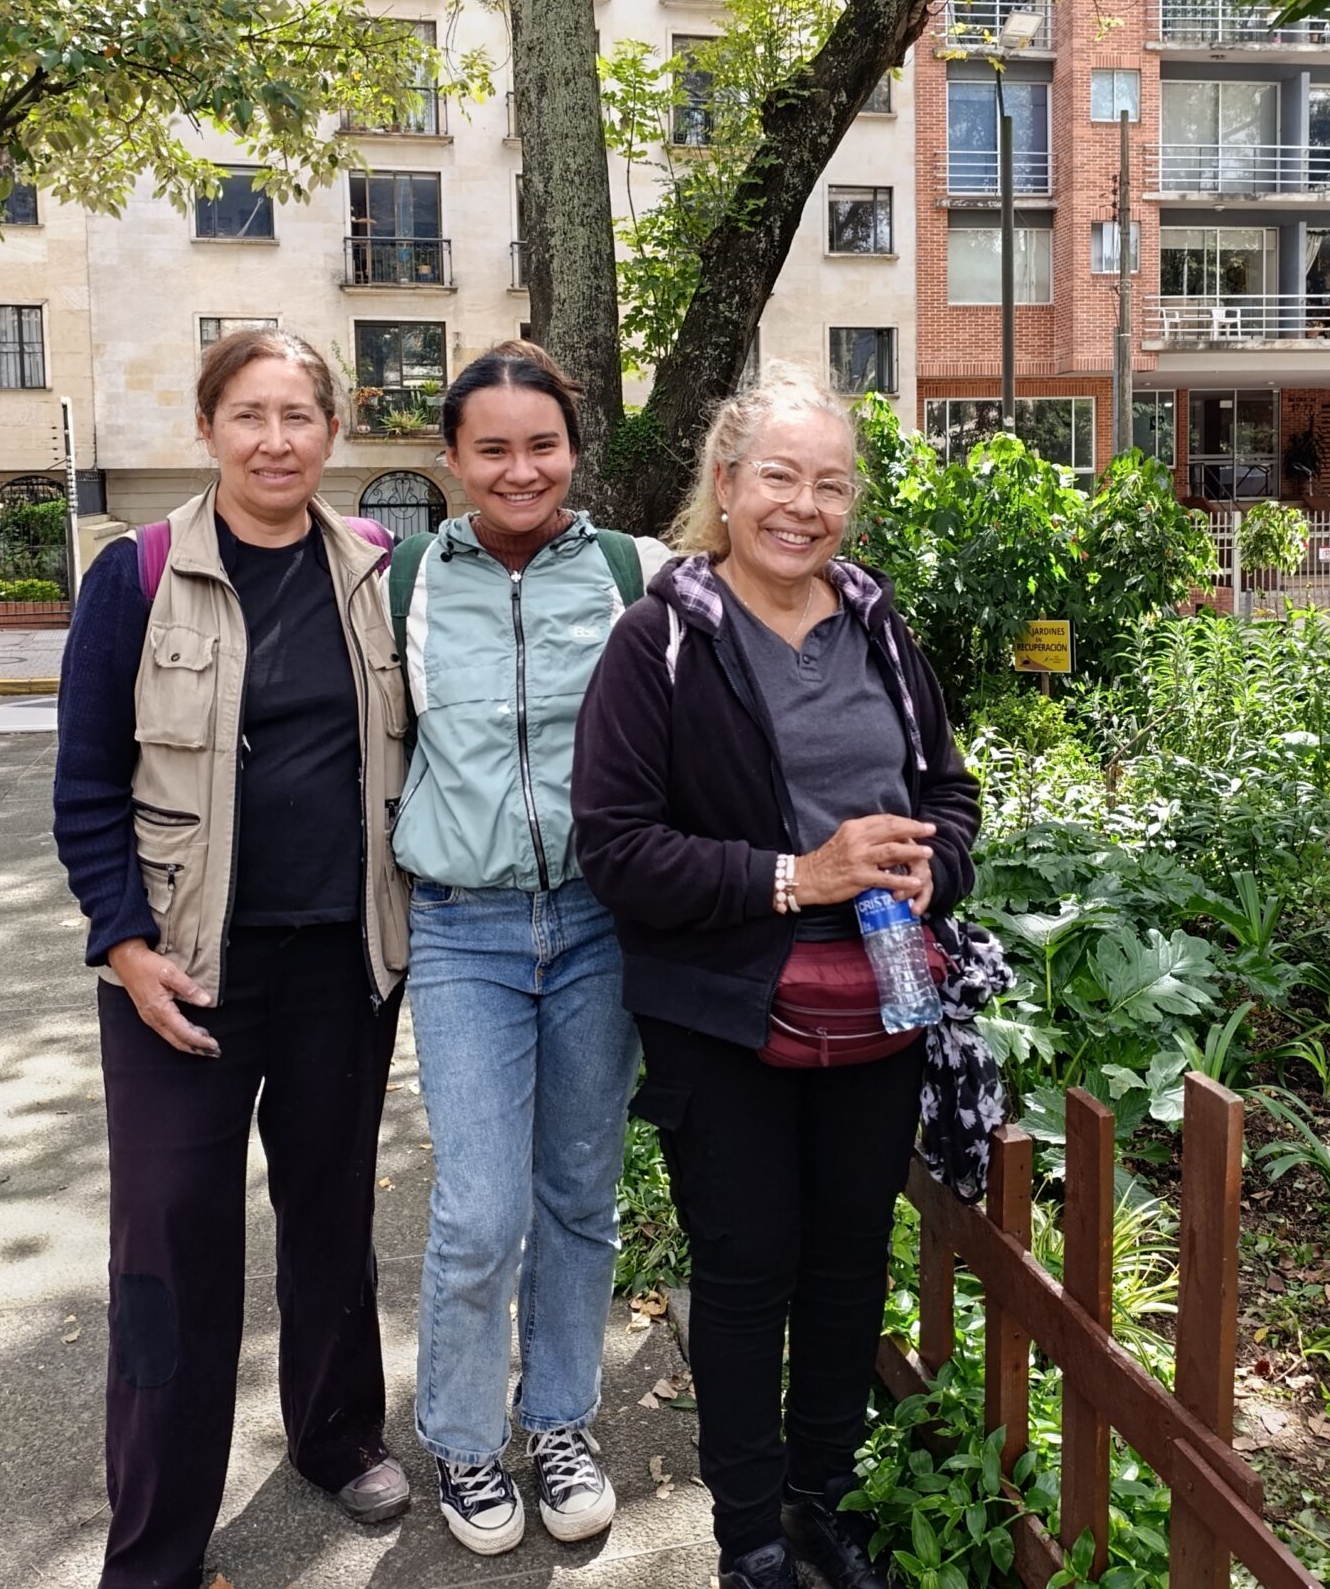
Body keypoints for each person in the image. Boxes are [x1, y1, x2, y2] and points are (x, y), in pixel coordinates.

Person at [572, 363, 982, 1589]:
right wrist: (799, 875)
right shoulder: (660, 640)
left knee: (848, 1264)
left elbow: (947, 790)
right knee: (747, 1273)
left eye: (831, 484)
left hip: (881, 999)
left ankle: (822, 1505)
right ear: (725, 481)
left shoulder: (878, 626)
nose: (804, 506)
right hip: (726, 1011)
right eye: (779, 477)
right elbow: (617, 848)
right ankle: (748, 1537)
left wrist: (937, 865)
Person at [52, 328, 414, 1589]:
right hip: (181, 974)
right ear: (206, 428)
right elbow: (85, 784)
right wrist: (125, 945)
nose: (274, 440)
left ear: (332, 430)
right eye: (248, 415)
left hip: (339, 968)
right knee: (168, 1243)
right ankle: (156, 1536)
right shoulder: (137, 574)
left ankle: (336, 1432)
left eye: (297, 415)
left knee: (331, 1214)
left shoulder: (375, 570)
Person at [390, 341, 663, 1557]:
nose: (520, 468)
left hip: (600, 922)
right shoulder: (401, 583)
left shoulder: (629, 573)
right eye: (491, 447)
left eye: (541, 444)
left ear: (573, 449)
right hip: (464, 924)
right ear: (451, 458)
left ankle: (558, 1420)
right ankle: (461, 1435)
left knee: (578, 1192)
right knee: (480, 1207)